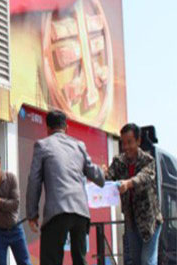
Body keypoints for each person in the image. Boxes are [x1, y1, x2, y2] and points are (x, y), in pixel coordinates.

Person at [26, 110, 105, 265]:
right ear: (66, 128)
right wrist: (104, 174)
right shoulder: (79, 146)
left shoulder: (42, 145)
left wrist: (32, 214)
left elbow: (34, 180)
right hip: (81, 212)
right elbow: (96, 175)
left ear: (48, 128)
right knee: (80, 260)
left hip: (58, 211)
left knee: (51, 261)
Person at [103, 123, 163, 265]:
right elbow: (108, 178)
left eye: (129, 142)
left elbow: (143, 178)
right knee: (135, 261)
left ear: (138, 141)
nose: (126, 147)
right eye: (123, 143)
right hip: (131, 220)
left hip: (150, 222)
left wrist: (128, 183)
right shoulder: (118, 162)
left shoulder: (148, 160)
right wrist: (102, 173)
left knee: (147, 261)